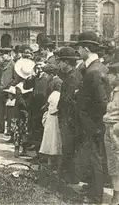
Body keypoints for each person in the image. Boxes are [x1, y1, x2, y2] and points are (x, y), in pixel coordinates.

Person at [74, 31, 112, 204]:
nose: (78, 51)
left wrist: (95, 125)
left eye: (79, 48)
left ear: (86, 49)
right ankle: (91, 188)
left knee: (95, 158)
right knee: (92, 156)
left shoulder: (94, 71)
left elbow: (101, 102)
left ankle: (96, 196)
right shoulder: (95, 68)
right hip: (92, 122)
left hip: (93, 123)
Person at [55, 47, 82, 186]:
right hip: (67, 118)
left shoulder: (72, 78)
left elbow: (70, 100)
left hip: (69, 119)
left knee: (69, 147)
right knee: (68, 147)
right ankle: (67, 176)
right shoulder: (72, 75)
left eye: (60, 61)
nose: (58, 64)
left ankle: (69, 177)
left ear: (66, 62)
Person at [104, 62, 119, 205]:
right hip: (109, 129)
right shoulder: (113, 91)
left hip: (116, 130)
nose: (108, 76)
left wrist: (115, 130)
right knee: (113, 164)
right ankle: (116, 194)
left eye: (110, 74)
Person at [0, 47, 15, 134]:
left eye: (4, 55)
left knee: (9, 111)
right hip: (0, 90)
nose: (3, 57)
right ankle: (1, 128)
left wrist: (9, 86)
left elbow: (15, 78)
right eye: (2, 55)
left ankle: (9, 129)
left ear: (9, 55)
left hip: (7, 91)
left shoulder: (12, 64)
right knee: (0, 110)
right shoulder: (1, 64)